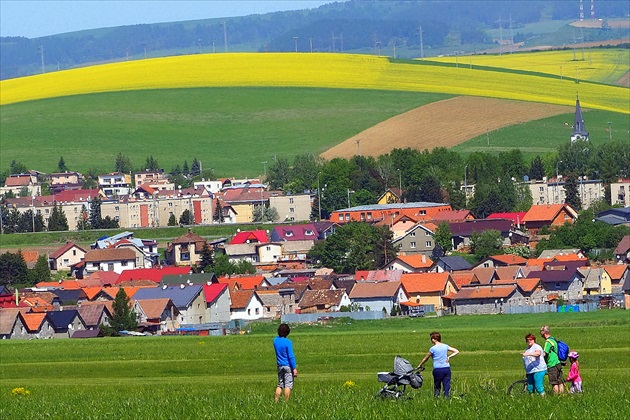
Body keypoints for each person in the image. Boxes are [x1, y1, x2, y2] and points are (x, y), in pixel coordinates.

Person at [418, 331, 459, 397]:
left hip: (438, 369)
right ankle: (447, 398)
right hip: (446, 368)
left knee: (437, 385)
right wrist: (449, 357)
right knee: (446, 385)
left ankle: (437, 398)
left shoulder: (432, 349)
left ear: (434, 339)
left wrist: (420, 365)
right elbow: (456, 351)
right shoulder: (445, 346)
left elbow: (426, 358)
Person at [273, 323, 298, 402]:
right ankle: (286, 402)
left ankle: (276, 400)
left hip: (280, 365)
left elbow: (277, 338)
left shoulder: (275, 341)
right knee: (288, 385)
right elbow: (291, 356)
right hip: (288, 366)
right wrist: (294, 368)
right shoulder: (288, 342)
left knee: (280, 384)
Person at [540, 325, 565, 394]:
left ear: (543, 332)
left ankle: (556, 396)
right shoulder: (553, 340)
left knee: (554, 382)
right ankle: (562, 396)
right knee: (560, 381)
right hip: (558, 363)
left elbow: (545, 353)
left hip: (552, 364)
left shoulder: (548, 342)